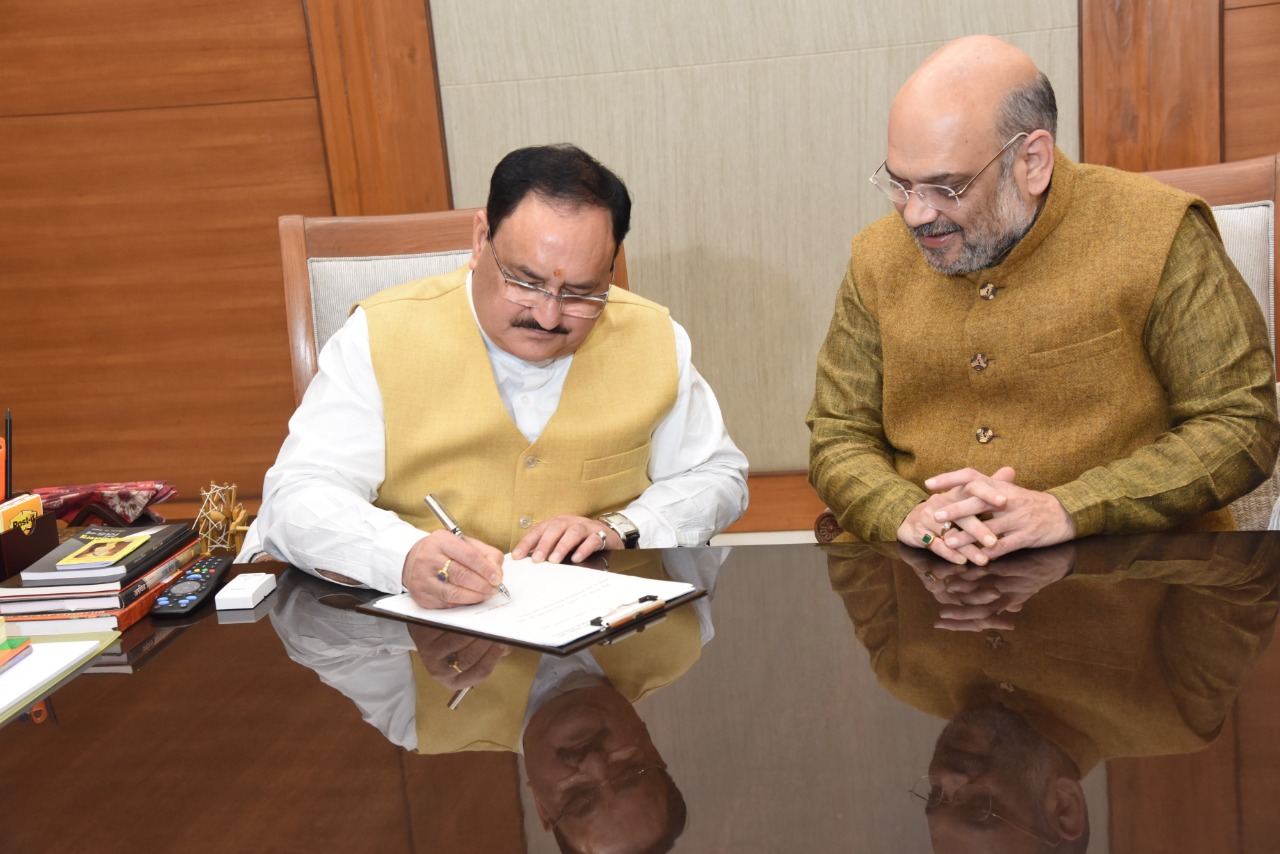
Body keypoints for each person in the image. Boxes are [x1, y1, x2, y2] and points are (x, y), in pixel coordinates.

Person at [808, 34, 1279, 566]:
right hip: (925, 580)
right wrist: (907, 514)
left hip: (1128, 580)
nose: (916, 214)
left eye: (949, 188)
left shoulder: (1157, 233)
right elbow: (839, 434)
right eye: (900, 183)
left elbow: (1242, 425)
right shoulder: (876, 257)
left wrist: (1071, 507)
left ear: (1032, 160)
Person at [241, 144, 748, 605]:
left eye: (581, 293)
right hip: (426, 653)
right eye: (524, 282)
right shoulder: (377, 335)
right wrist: (402, 555)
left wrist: (623, 527)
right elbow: (296, 498)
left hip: (605, 648)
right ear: (481, 240)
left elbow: (716, 476)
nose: (548, 317)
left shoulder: (654, 336)